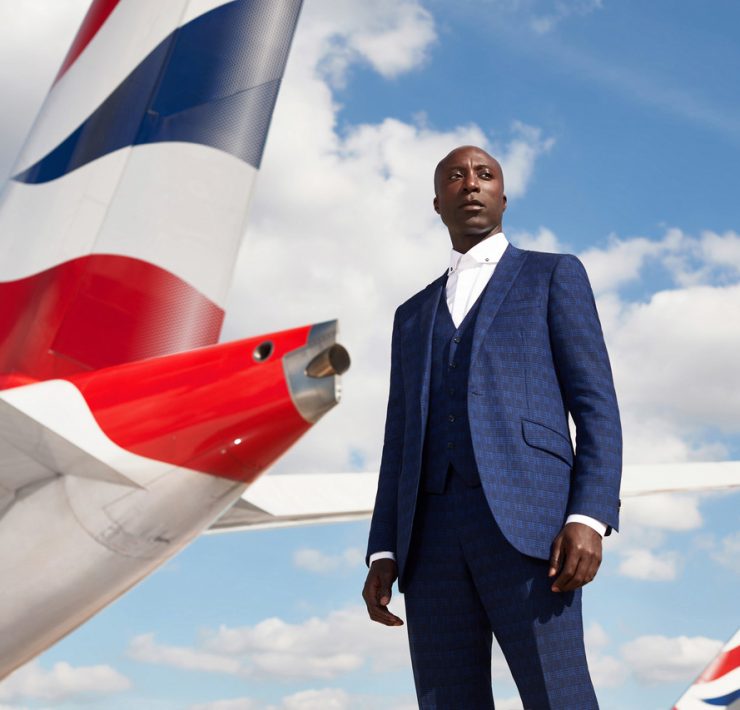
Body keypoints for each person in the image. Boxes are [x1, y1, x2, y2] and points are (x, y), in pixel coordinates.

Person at [362, 145, 622, 709]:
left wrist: (590, 516)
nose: (471, 184)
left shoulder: (553, 275)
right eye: (456, 177)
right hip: (427, 539)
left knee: (560, 696)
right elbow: (398, 440)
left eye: (485, 174)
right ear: (438, 202)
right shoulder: (411, 315)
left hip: (532, 528)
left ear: (504, 195)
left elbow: (596, 404)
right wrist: (383, 548)